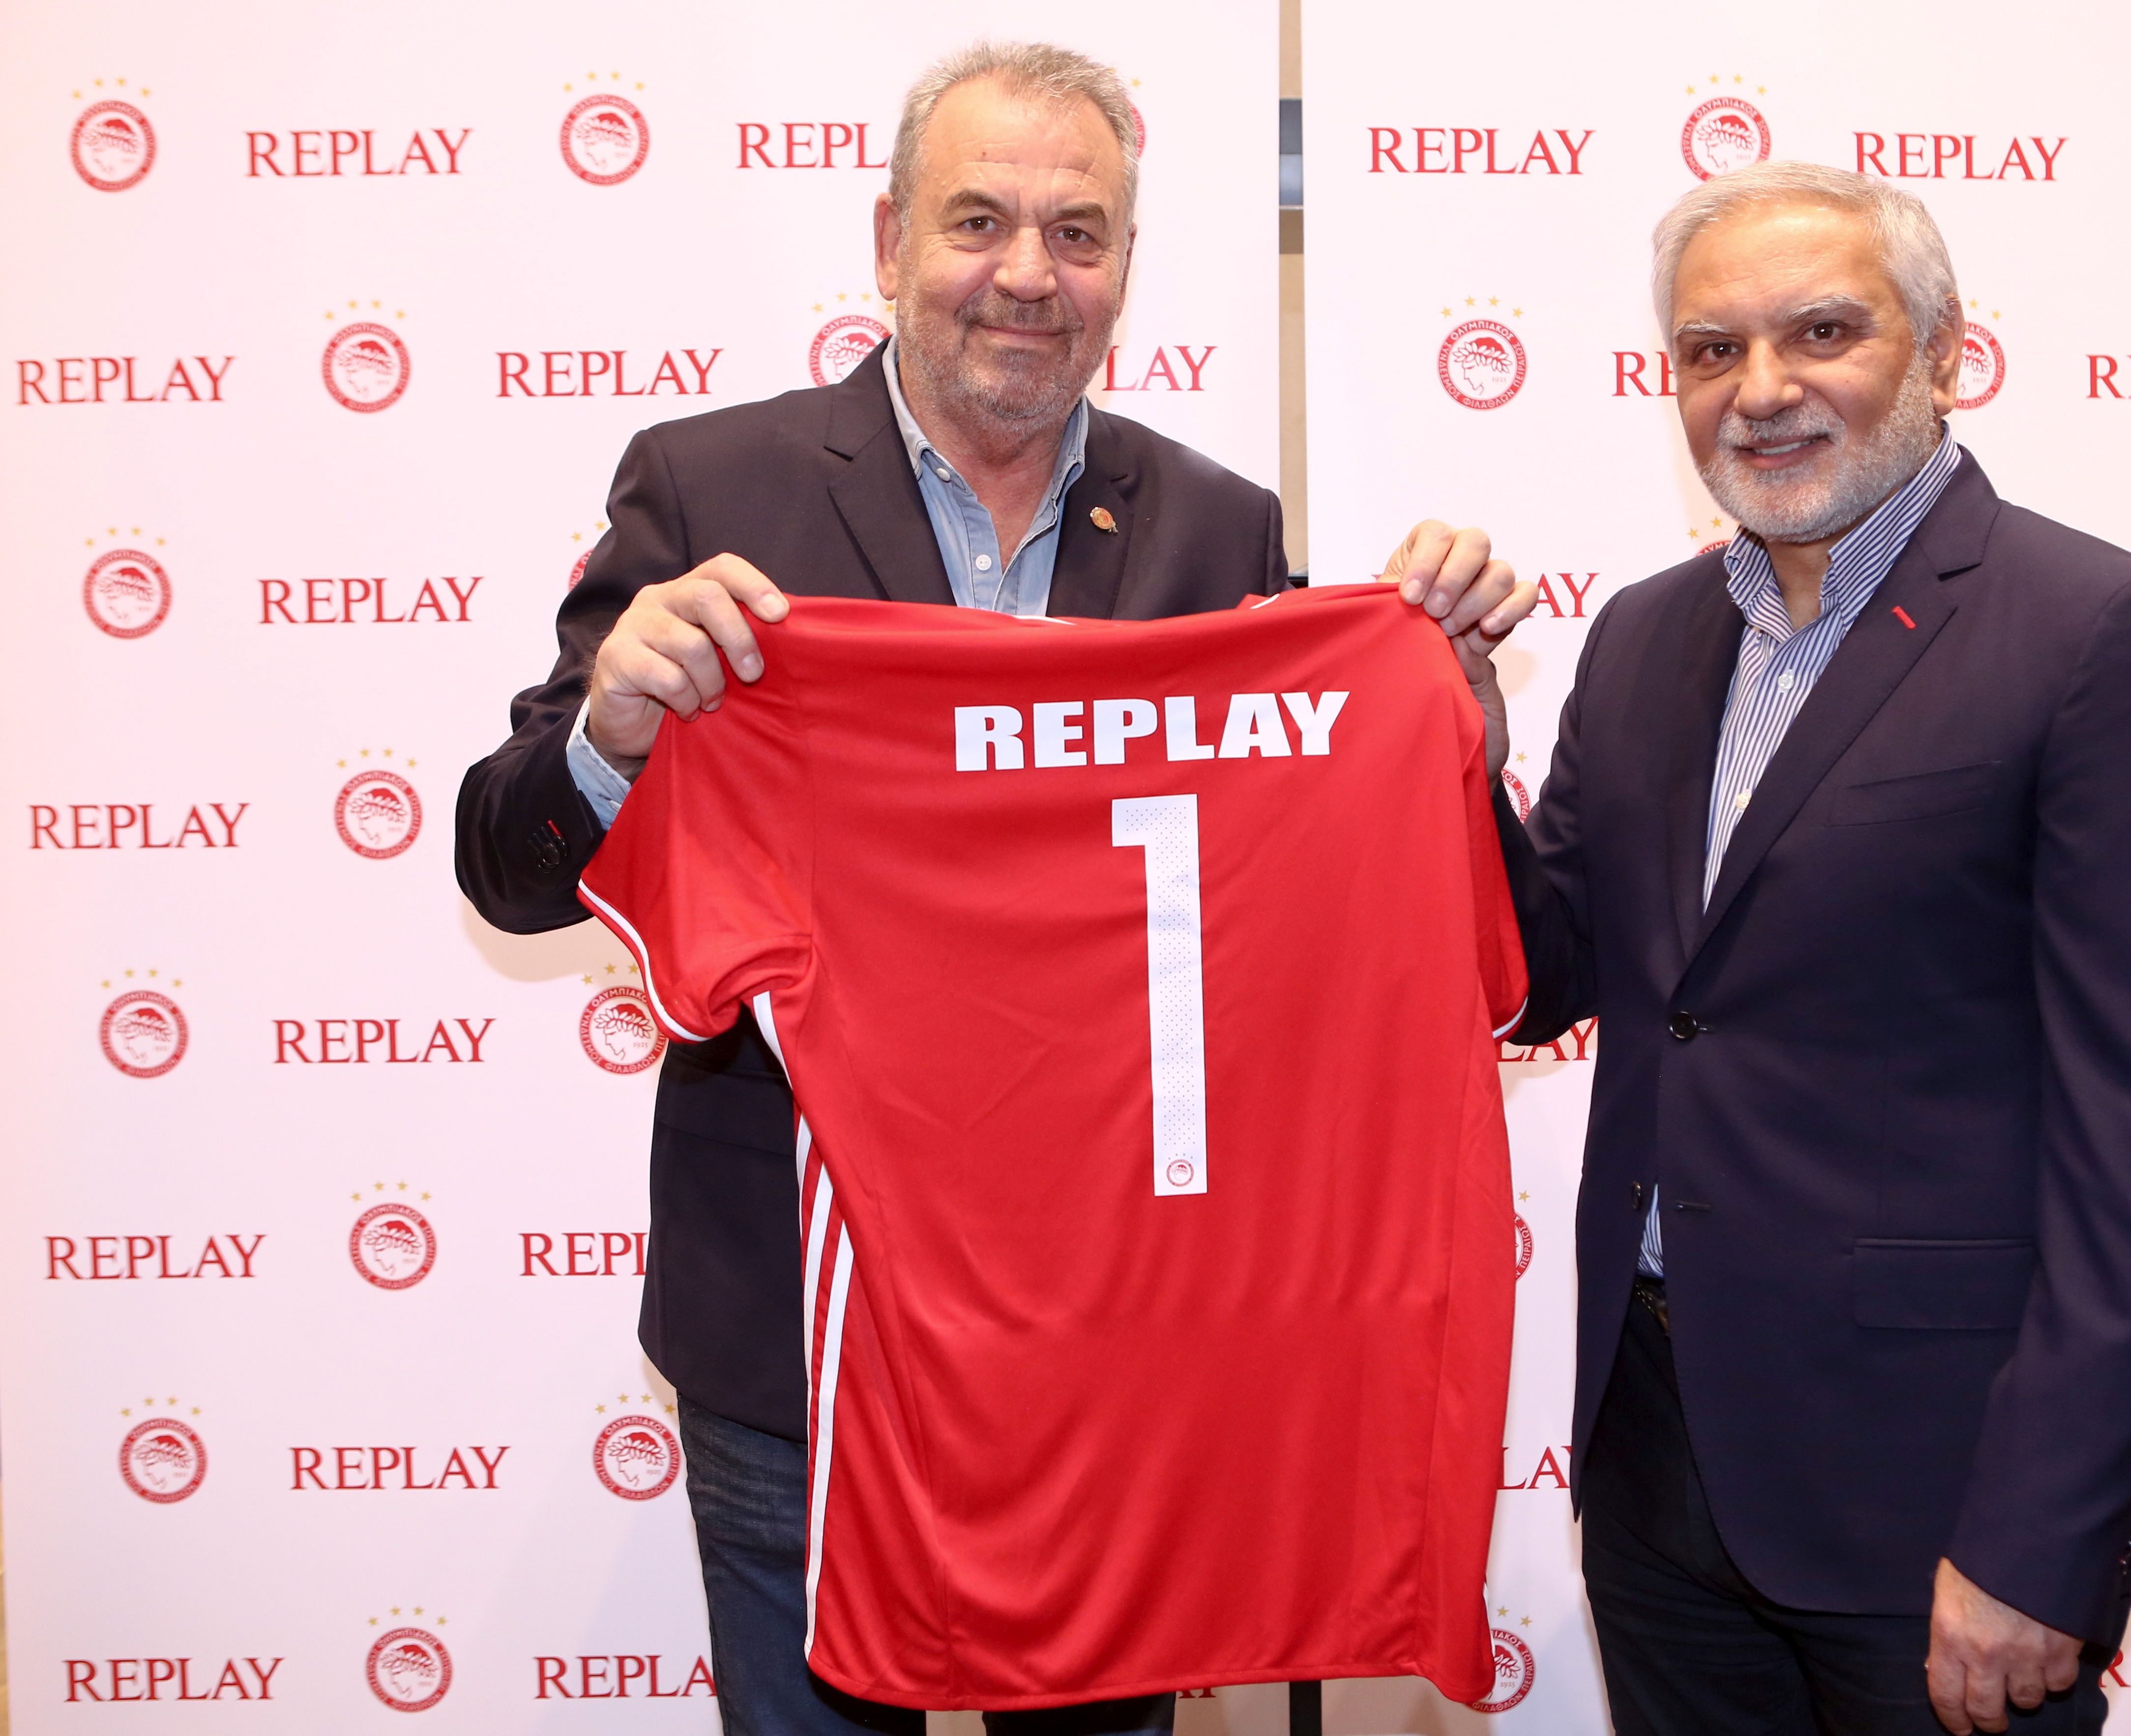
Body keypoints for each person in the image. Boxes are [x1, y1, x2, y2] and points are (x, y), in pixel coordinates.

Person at [456, 40, 1515, 1736]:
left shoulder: (1219, 529)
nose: (1027, 273)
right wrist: (615, 731)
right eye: (978, 221)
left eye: (1077, 233)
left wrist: (1443, 718)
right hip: (806, 1338)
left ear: (1125, 269)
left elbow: (1307, 923)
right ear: (889, 240)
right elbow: (507, 870)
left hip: (1117, 1338)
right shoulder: (709, 486)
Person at [1390, 162, 2131, 1734]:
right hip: (1656, 1463)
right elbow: (1543, 975)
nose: (1761, 388)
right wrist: (1460, 750)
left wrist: (2042, 1536)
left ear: (1944, 353)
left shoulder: (2102, 637)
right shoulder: (1644, 636)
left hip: (1940, 1495)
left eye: (1821, 332)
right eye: (1710, 348)